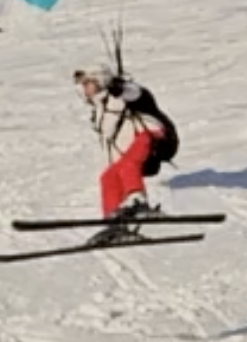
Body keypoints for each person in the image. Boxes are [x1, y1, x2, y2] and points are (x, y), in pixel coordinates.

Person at [73, 66, 180, 243]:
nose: (85, 89)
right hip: (135, 145)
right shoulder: (100, 109)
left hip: (156, 138)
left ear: (100, 81)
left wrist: (119, 87)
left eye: (88, 83)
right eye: (83, 85)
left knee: (127, 165)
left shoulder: (122, 95)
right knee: (108, 176)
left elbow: (138, 94)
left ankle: (138, 203)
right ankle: (114, 222)